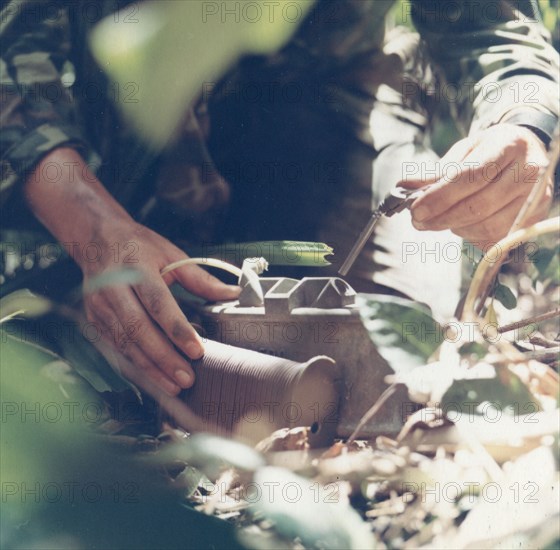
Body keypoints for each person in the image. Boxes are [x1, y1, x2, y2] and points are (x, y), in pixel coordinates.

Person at [1, 0, 558, 398]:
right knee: (112, 363)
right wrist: (93, 232)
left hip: (327, 111)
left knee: (381, 366)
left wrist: (525, 127)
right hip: (119, 133)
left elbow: (491, 29)